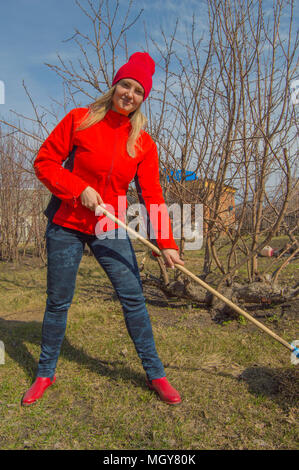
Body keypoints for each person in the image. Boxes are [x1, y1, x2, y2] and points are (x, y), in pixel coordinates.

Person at [21, 52, 184, 407]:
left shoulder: (144, 142)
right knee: (58, 301)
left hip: (111, 227)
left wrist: (166, 243)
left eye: (138, 90)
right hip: (67, 223)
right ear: (114, 86)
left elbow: (153, 195)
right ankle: (45, 372)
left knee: (133, 298)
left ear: (144, 98)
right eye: (125, 84)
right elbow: (44, 162)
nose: (129, 93)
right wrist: (78, 189)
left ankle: (156, 373)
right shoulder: (80, 120)